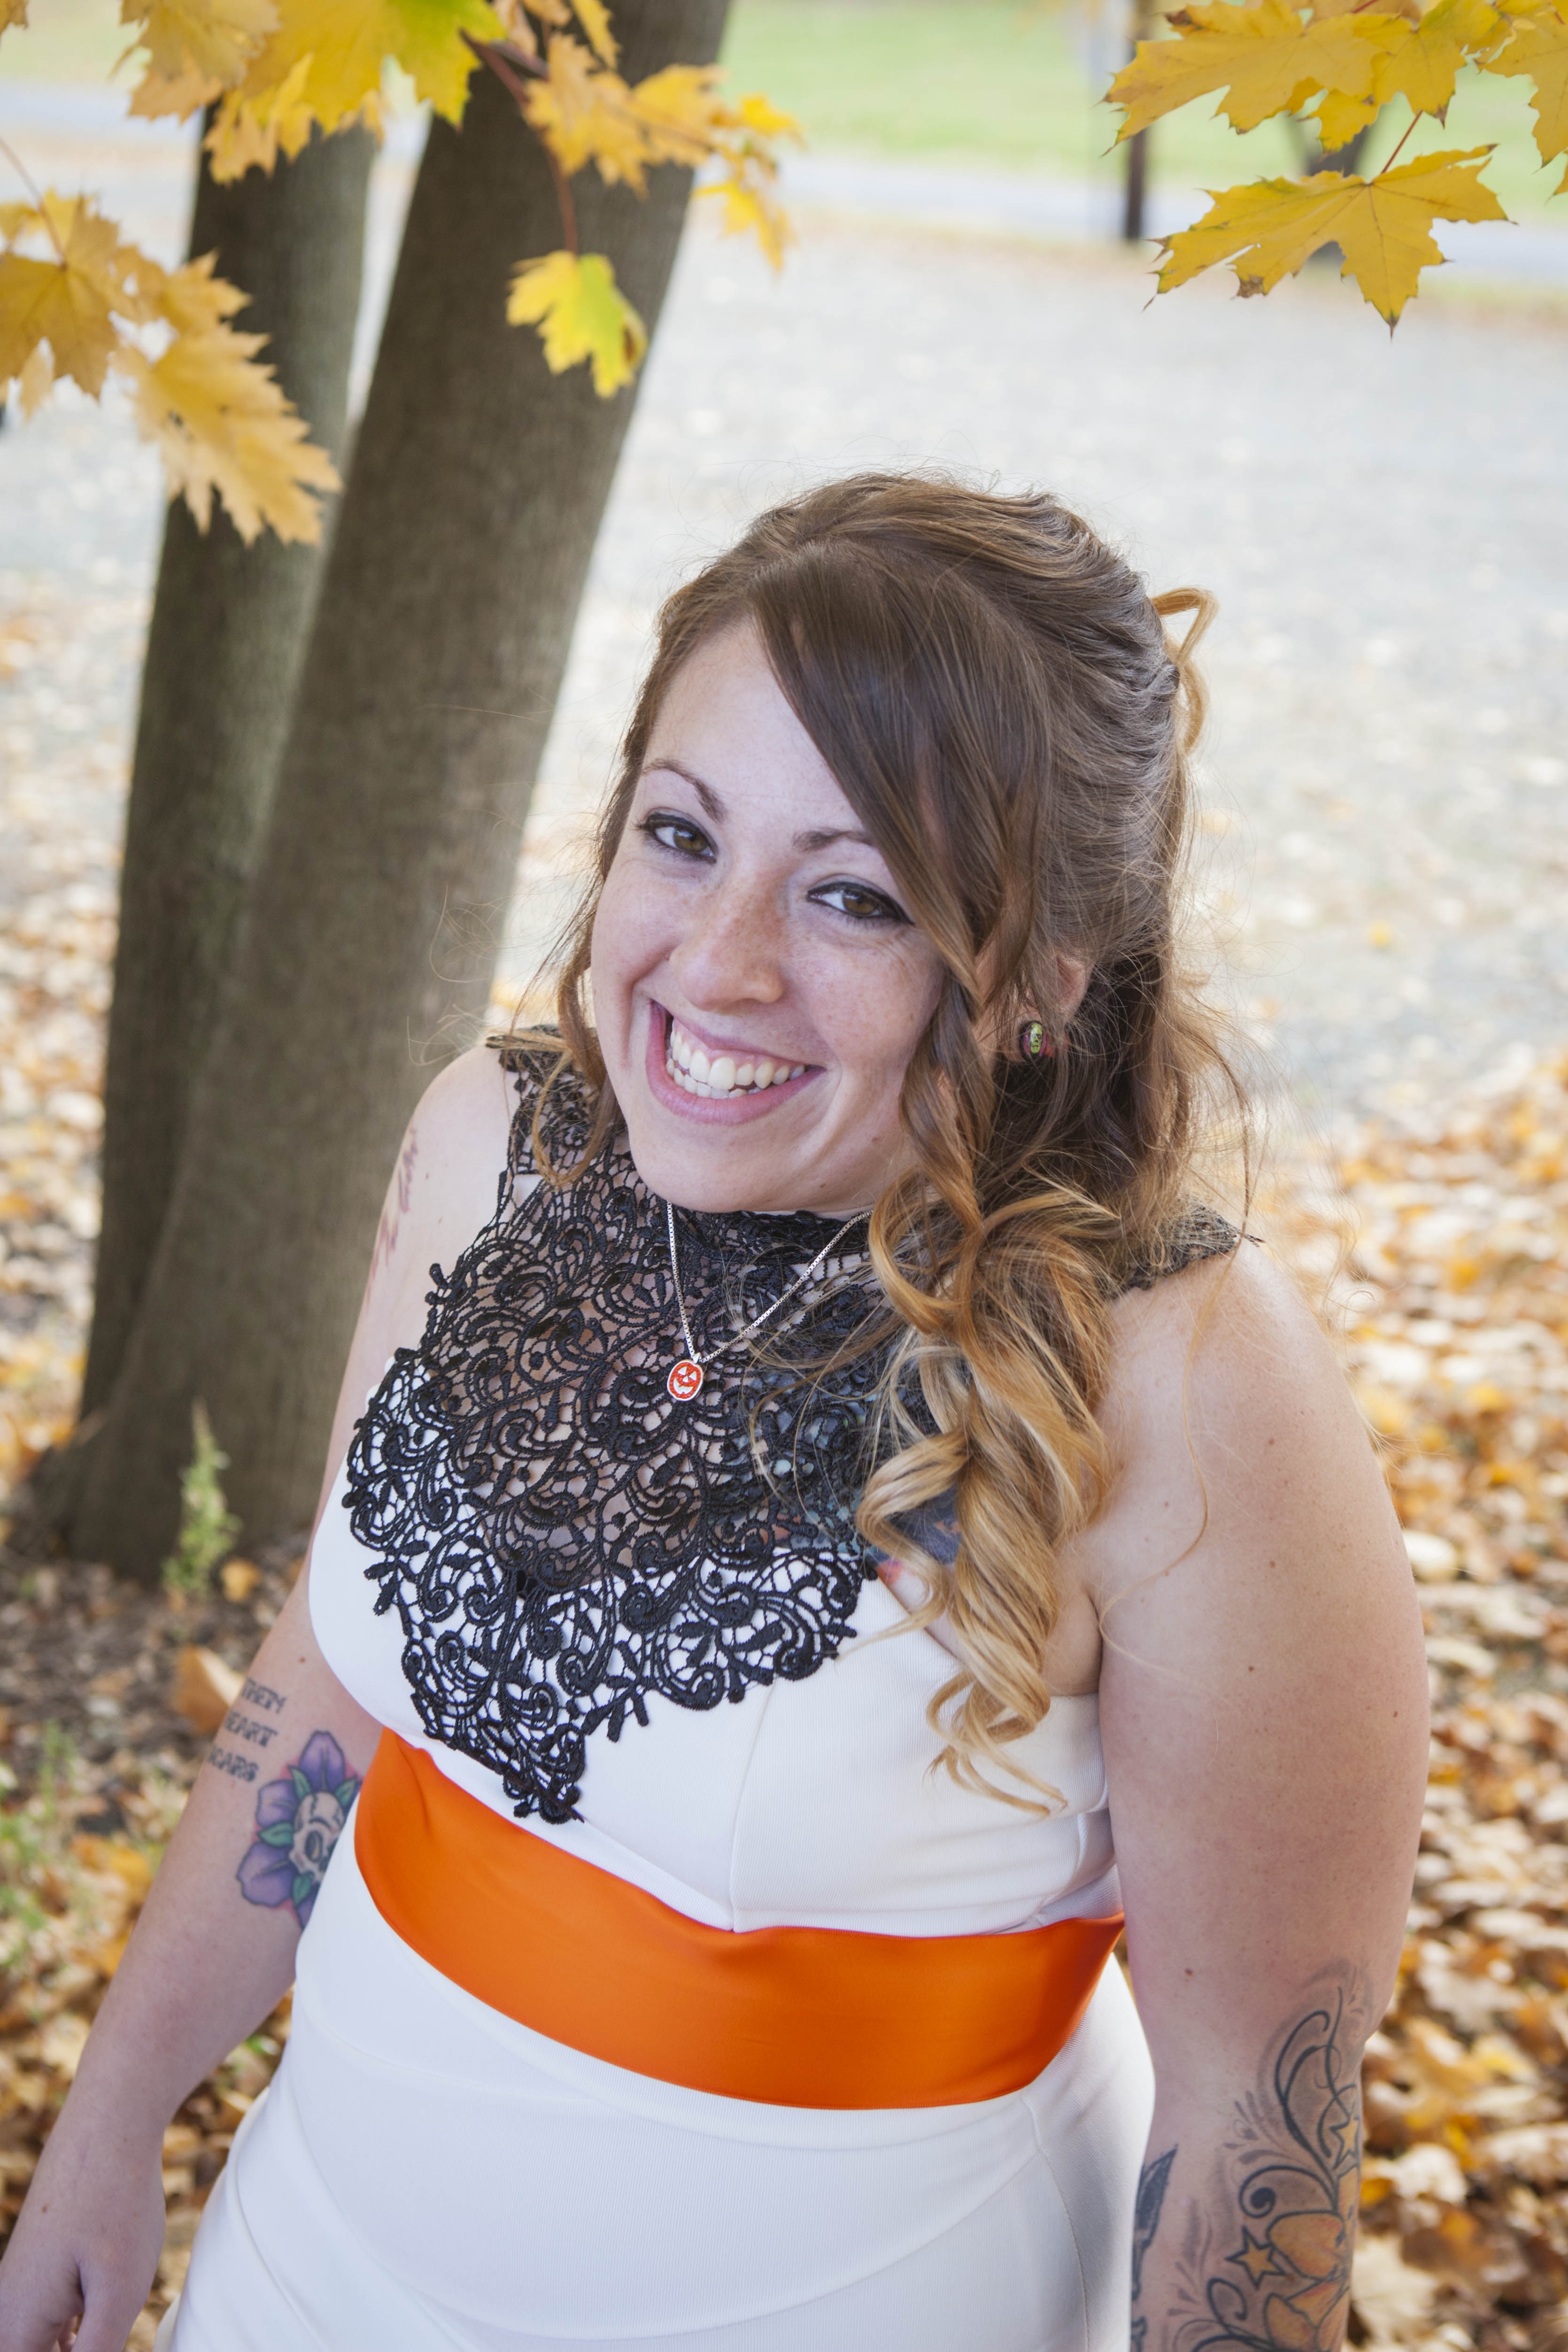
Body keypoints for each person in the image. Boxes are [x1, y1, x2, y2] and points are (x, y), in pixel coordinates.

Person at [0, 474, 1427, 2352]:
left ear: (1035, 986)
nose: (718, 960)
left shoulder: (1184, 1377)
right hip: (309, 2270)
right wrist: (114, 2108)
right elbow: (337, 1669)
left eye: (852, 894)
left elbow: (1255, 2110)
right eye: (682, 835)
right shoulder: (486, 1144)